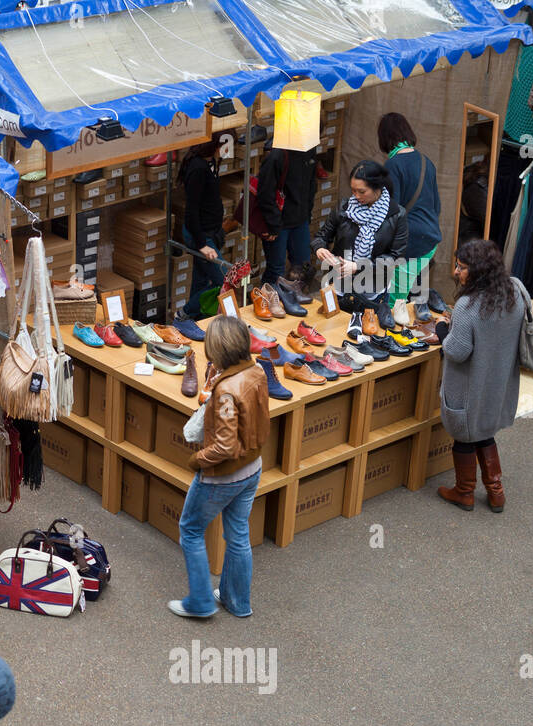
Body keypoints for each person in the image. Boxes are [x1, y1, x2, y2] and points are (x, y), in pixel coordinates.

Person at [168, 316, 269, 619]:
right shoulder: (257, 371)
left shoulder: (225, 392)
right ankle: (237, 601)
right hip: (253, 466)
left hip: (223, 476)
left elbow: (224, 446)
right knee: (238, 534)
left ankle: (200, 602)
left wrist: (197, 460)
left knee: (190, 530)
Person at [435, 239, 526, 513]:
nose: (456, 272)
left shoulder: (467, 306)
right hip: (498, 381)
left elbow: (457, 351)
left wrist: (442, 330)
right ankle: (496, 493)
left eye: (462, 267)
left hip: (469, 384)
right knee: (485, 431)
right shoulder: (515, 290)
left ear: (479, 270)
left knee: (465, 435)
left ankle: (464, 492)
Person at [313, 160, 408, 332]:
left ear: (377, 188)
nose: (356, 196)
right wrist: (320, 248)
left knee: (369, 335)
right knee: (334, 331)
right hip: (339, 286)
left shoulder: (397, 215)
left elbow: (395, 257)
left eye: (362, 191)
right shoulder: (344, 207)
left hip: (372, 290)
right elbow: (321, 236)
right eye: (353, 190)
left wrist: (358, 266)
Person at [379, 113, 446, 319]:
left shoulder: (392, 165)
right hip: (430, 239)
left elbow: (393, 211)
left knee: (394, 305)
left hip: (408, 242)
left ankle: (395, 339)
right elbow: (437, 205)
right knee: (407, 297)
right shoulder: (427, 162)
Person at [176, 137, 225, 321]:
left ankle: (193, 321)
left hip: (211, 231)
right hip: (201, 235)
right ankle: (184, 313)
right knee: (224, 280)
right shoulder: (197, 168)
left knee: (201, 280)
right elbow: (191, 211)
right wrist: (201, 244)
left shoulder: (211, 162)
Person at [257, 146, 319, 288]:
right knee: (276, 269)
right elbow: (265, 193)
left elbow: (311, 184)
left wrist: (307, 214)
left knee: (303, 267)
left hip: (300, 220)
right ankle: (267, 301)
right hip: (279, 223)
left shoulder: (310, 150)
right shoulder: (277, 156)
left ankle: (295, 300)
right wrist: (273, 225)